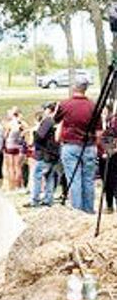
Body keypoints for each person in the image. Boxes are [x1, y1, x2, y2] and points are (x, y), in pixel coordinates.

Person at [54, 77, 102, 213]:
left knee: (74, 179)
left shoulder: (65, 104)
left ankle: (77, 211)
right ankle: (89, 210)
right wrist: (98, 148)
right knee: (88, 180)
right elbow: (99, 132)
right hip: (89, 145)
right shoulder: (94, 106)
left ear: (74, 87)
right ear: (85, 88)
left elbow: (55, 119)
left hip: (71, 145)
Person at [25, 103, 60, 207]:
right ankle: (48, 199)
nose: (44, 111)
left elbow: (40, 136)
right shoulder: (57, 122)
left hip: (45, 153)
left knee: (37, 176)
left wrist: (33, 134)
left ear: (49, 110)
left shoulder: (48, 121)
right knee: (50, 177)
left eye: (45, 109)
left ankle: (35, 200)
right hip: (54, 153)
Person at [3, 107, 28, 190]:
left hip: (9, 145)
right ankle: (18, 185)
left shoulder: (9, 124)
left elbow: (5, 135)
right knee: (18, 167)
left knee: (10, 167)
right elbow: (25, 134)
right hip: (18, 145)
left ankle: (12, 185)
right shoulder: (22, 124)